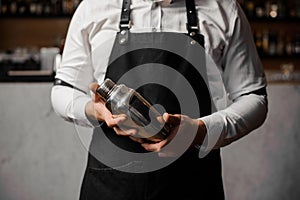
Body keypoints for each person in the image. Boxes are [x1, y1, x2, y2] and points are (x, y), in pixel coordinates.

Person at [51, 0, 268, 199]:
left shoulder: (223, 10)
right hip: (111, 186)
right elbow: (63, 90)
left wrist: (201, 130)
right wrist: (94, 110)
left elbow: (254, 97)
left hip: (192, 185)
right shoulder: (94, 7)